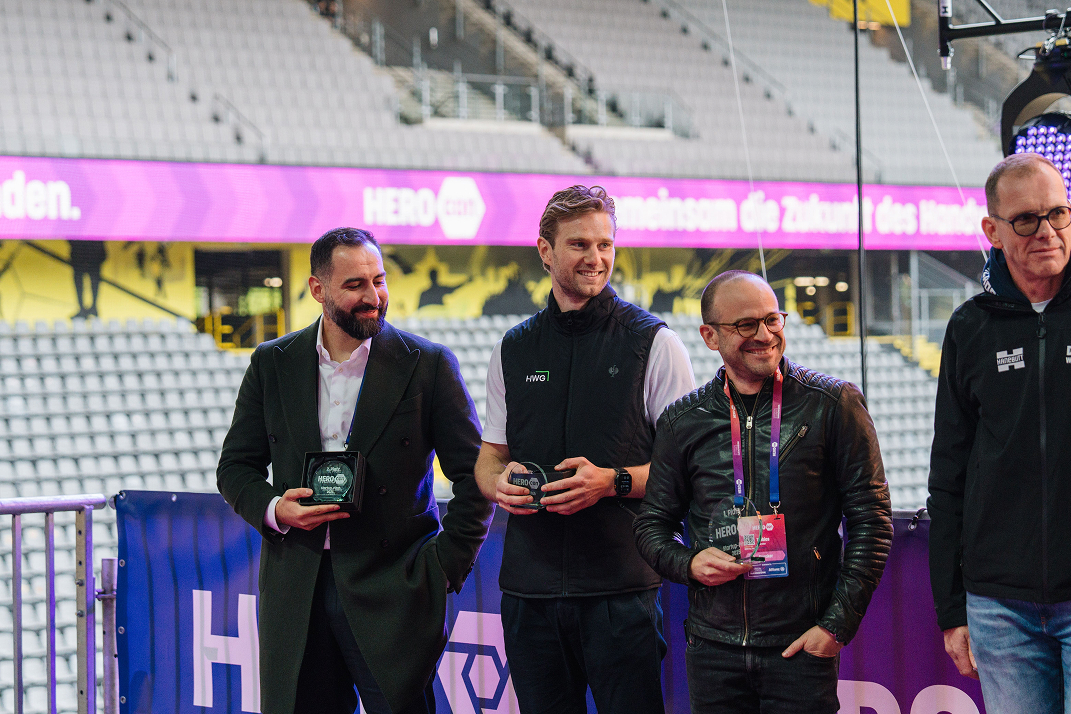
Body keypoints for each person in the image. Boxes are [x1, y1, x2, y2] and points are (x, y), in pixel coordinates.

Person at [217, 227, 493, 714]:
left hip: (394, 591)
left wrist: (441, 569)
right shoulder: (270, 363)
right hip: (296, 593)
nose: (374, 297)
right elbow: (235, 468)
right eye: (355, 286)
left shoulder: (427, 365)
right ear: (318, 290)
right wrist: (275, 508)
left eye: (379, 280)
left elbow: (477, 476)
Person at [474, 185, 696, 712]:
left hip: (621, 591)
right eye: (579, 245)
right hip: (529, 592)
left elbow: (687, 466)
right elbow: (489, 456)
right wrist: (496, 484)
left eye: (605, 244)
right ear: (545, 251)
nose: (596, 258)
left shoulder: (656, 343)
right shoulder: (514, 347)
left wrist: (611, 481)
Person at [634, 271, 892, 714]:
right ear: (710, 336)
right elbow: (651, 526)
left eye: (773, 320)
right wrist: (689, 563)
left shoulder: (833, 404)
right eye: (745, 325)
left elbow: (872, 520)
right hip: (713, 652)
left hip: (800, 648)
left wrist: (835, 627)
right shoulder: (682, 420)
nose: (764, 335)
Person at [928, 152, 1071, 713]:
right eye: (1026, 219)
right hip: (998, 609)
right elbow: (949, 473)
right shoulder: (969, 327)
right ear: (992, 229)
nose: (1047, 231)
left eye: (1058, 214)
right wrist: (951, 609)